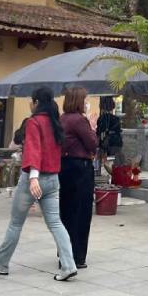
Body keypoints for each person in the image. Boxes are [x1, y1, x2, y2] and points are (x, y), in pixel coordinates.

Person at [0, 86, 77, 282]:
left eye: (31, 100)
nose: (30, 103)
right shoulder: (56, 123)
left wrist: (34, 177)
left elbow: (34, 150)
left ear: (36, 103)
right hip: (53, 179)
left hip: (32, 179)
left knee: (15, 224)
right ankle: (69, 265)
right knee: (55, 223)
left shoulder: (34, 122)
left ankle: (0, 263)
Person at [59, 87, 98, 269]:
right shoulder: (79, 120)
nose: (87, 103)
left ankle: (64, 252)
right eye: (85, 100)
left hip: (64, 167)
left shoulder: (62, 118)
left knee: (66, 211)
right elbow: (92, 143)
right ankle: (78, 255)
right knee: (81, 212)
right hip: (80, 169)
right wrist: (92, 127)